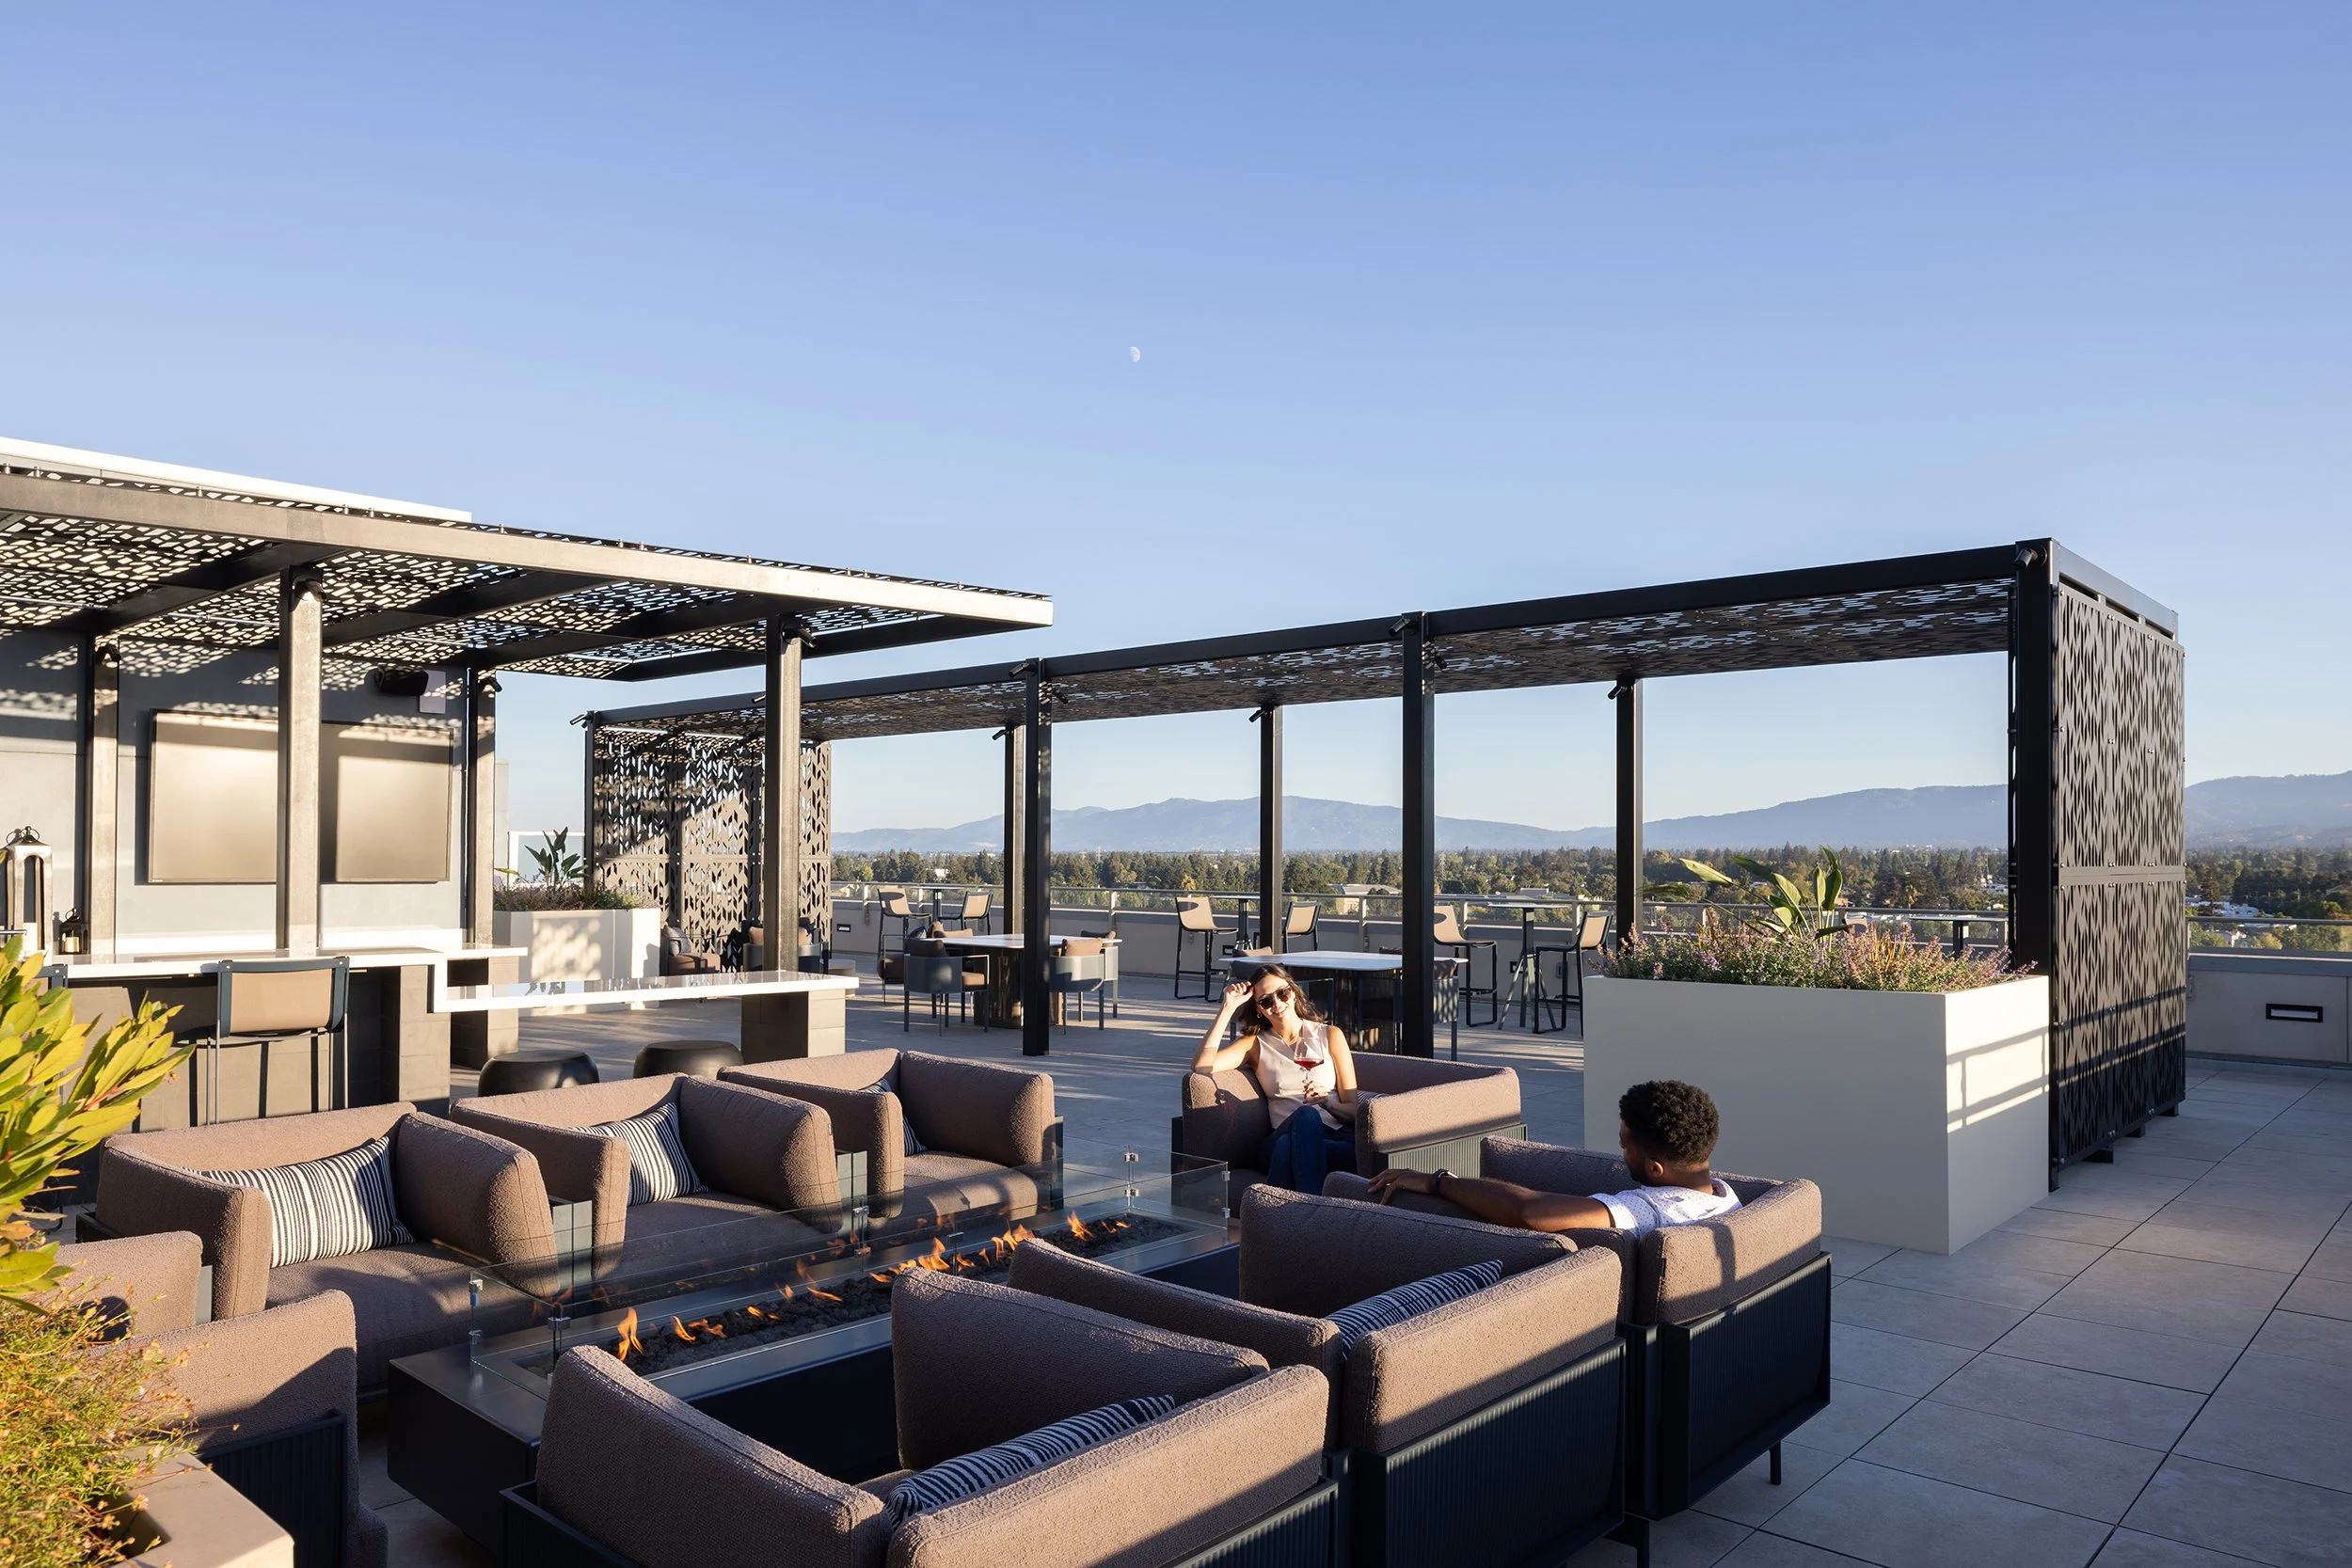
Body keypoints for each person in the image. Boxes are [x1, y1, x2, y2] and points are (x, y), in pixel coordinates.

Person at [1366, 1079, 1740, 1236]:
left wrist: (1438, 1181)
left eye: (1626, 1146)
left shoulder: (1652, 1210)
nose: (1621, 1153)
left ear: (1656, 1168)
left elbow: (1533, 1212)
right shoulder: (1728, 1198)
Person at [1194, 965, 1360, 1194]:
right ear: (1259, 1010)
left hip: (1331, 1136)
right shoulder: (1255, 1045)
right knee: (1305, 1115)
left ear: (1293, 992)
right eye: (1265, 1001)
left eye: (1282, 993)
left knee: (1288, 1148)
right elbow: (1201, 1067)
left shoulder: (1330, 1035)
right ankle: (1313, 1209)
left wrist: (1327, 1103)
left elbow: (1354, 1110)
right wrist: (1227, 1008)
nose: (1277, 1004)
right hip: (1281, 1133)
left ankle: (1278, 1215)